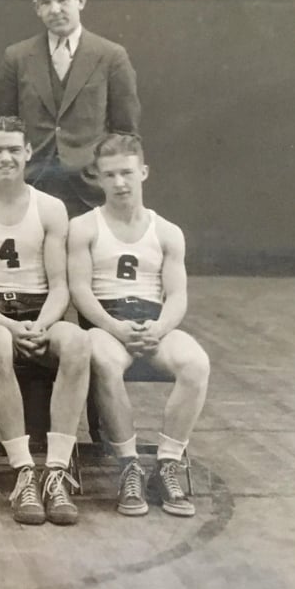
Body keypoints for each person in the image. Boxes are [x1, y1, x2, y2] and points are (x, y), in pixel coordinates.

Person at [0, 116, 90, 525]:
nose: (5, 157)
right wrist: (11, 328)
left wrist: (41, 324)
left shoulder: (50, 208)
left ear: (28, 152)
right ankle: (24, 469)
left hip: (40, 310)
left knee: (78, 344)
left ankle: (56, 472)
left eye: (13, 149)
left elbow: (61, 285)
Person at [68, 133, 210, 518]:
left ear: (143, 172)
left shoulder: (166, 232)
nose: (119, 183)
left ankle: (167, 463)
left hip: (153, 322)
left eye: (127, 173)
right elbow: (80, 291)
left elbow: (177, 295)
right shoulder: (84, 227)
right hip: (106, 324)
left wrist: (159, 329)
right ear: (98, 178)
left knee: (196, 363)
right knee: (105, 361)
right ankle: (129, 464)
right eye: (110, 174)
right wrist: (115, 327)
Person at [0, 0, 140, 217]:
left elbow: (125, 134)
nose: (55, 10)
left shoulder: (111, 56)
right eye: (46, 2)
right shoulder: (17, 57)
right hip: (31, 189)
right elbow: (2, 128)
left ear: (80, 1)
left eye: (62, 0)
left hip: (91, 193)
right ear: (37, 8)